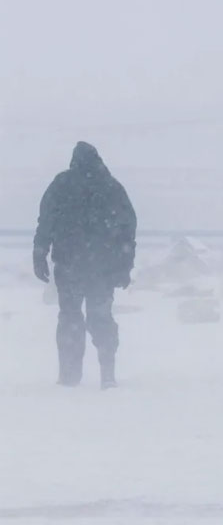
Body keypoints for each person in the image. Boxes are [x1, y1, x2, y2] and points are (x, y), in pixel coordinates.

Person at [33, 142, 137, 389]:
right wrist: (124, 266)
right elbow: (128, 230)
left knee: (70, 317)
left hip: (70, 265)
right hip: (102, 269)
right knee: (101, 317)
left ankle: (69, 376)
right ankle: (107, 373)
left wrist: (40, 252)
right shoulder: (112, 187)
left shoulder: (62, 184)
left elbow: (46, 220)